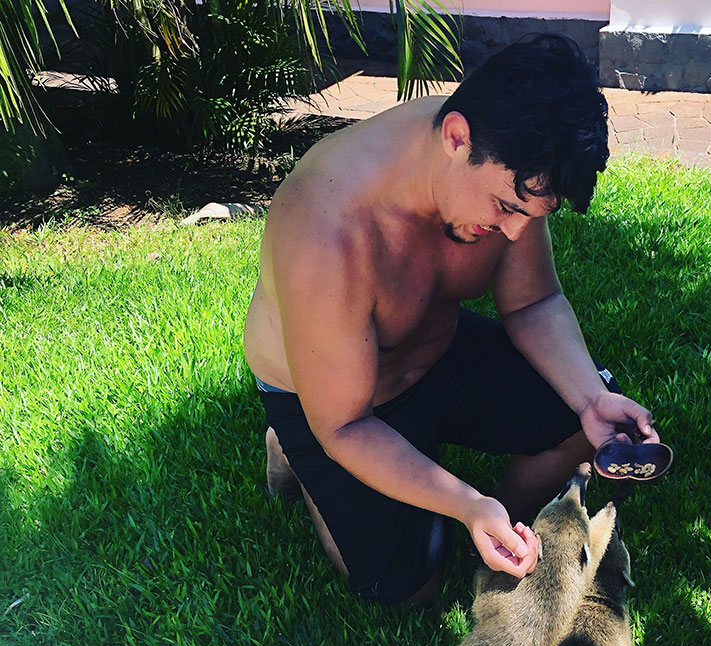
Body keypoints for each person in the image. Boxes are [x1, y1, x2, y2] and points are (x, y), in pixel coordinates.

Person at [243, 34, 660, 607]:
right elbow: (346, 425)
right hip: (341, 408)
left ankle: (496, 523)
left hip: (435, 349)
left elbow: (533, 303)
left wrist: (590, 400)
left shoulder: (510, 159)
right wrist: (463, 503)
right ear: (456, 137)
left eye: (531, 215)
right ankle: (295, 451)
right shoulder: (328, 226)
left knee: (583, 423)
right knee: (406, 590)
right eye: (508, 208)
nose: (516, 233)